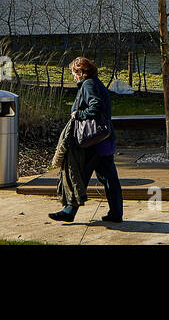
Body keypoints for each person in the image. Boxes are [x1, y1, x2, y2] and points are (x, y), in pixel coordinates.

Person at [49, 57, 124, 224]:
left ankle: (69, 211)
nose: (74, 77)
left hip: (93, 142)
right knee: (109, 177)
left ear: (81, 72)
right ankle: (116, 213)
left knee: (79, 174)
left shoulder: (89, 85)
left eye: (74, 73)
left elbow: (95, 107)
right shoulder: (97, 84)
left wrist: (78, 114)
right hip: (104, 139)